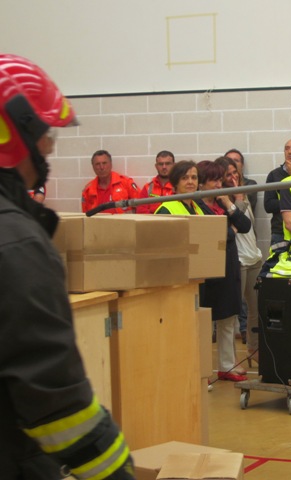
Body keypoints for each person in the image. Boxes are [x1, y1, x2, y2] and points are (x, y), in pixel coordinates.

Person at [0, 54, 135, 479]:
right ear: (15, 135)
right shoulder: (16, 243)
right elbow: (55, 401)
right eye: (43, 134)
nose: (49, 146)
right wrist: (116, 470)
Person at [196, 158, 252, 382]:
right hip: (206, 271)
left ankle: (227, 366)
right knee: (204, 323)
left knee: (228, 319)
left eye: (220, 180)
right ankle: (202, 372)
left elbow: (244, 225)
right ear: (201, 183)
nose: (219, 185)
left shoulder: (221, 203)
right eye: (214, 181)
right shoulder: (196, 206)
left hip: (228, 266)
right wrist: (230, 230)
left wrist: (229, 204)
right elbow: (220, 235)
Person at [222, 158, 262, 365]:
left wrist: (240, 196)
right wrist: (237, 198)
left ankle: (254, 349)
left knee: (257, 308)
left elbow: (247, 225)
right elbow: (235, 221)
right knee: (234, 311)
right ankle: (230, 359)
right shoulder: (222, 200)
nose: (233, 177)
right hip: (237, 259)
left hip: (253, 256)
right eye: (228, 174)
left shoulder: (244, 193)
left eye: (235, 172)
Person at [264, 138, 291, 249]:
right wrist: (289, 202)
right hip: (280, 232)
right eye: (287, 149)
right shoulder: (274, 175)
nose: (290, 152)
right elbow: (268, 205)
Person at [81, 149, 138, 214]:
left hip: (123, 220)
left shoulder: (126, 183)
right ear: (93, 167)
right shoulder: (87, 191)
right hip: (97, 221)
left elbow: (141, 206)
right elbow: (86, 215)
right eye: (97, 164)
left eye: (104, 163)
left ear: (111, 164)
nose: (102, 167)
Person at [136, 150, 175, 214]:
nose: (164, 167)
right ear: (156, 166)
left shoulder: (179, 186)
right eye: (161, 164)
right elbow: (141, 210)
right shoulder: (148, 188)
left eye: (167, 164)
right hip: (151, 220)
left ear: (174, 165)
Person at [225, 148, 257, 213]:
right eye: (229, 160)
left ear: (242, 165)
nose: (232, 163)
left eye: (236, 160)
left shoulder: (250, 184)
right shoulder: (220, 188)